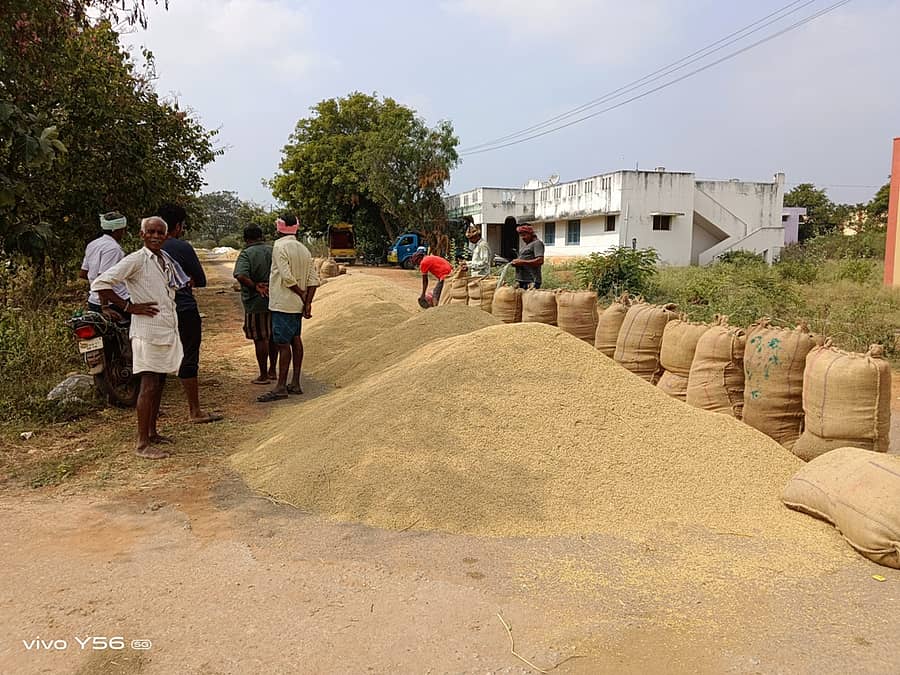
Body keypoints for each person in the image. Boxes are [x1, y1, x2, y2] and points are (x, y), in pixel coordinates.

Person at [92, 216, 184, 460]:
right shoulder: (136, 259)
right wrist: (128, 306)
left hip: (165, 328)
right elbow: (100, 283)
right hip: (147, 331)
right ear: (142, 234)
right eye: (151, 232)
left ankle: (152, 432)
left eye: (160, 232)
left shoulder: (163, 260)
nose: (155, 236)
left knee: (159, 382)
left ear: (166, 236)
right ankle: (142, 443)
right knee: (149, 384)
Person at [157, 203, 223, 425]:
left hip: (156, 312)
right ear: (177, 226)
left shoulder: (145, 250)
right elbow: (201, 280)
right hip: (183, 307)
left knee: (157, 360)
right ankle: (194, 411)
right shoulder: (181, 247)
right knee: (188, 356)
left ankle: (152, 409)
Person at [257, 214, 319, 403]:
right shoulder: (304, 249)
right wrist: (307, 301)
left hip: (283, 302)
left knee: (283, 343)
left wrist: (300, 293)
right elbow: (313, 280)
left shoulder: (279, 247)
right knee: (295, 339)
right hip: (297, 305)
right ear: (297, 227)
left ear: (279, 227)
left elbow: (286, 276)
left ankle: (281, 386)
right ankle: (295, 383)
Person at [233, 225, 278, 384]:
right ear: (262, 236)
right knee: (273, 336)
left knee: (260, 338)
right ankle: (273, 370)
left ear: (246, 239)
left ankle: (263, 375)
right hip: (275, 299)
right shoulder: (273, 250)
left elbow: (240, 274)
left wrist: (255, 286)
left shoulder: (246, 253)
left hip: (256, 301)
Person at [79, 212, 130, 312]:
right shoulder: (113, 249)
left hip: (93, 301)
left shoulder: (93, 244)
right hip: (113, 302)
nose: (124, 233)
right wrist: (105, 307)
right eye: (123, 230)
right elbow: (103, 280)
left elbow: (83, 273)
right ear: (117, 230)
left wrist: (94, 285)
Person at [512, 224, 545, 289]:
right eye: (521, 236)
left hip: (531, 281)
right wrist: (516, 263)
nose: (522, 238)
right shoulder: (526, 246)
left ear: (531, 234)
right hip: (521, 280)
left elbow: (540, 260)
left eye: (524, 235)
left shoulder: (537, 243)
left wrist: (522, 262)